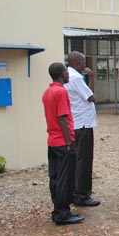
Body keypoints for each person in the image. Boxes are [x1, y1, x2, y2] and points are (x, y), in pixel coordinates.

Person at [42, 63, 83, 225]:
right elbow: (62, 117)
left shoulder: (47, 92)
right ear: (61, 74)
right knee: (65, 178)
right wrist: (68, 141)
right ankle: (63, 213)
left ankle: (57, 209)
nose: (68, 75)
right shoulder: (60, 92)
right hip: (62, 140)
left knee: (55, 176)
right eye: (66, 72)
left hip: (52, 140)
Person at [64, 51, 100, 207]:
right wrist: (91, 77)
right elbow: (91, 96)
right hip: (83, 124)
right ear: (78, 62)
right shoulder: (77, 77)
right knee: (84, 160)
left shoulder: (67, 75)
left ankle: (73, 191)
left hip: (75, 123)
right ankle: (82, 195)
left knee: (75, 158)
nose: (85, 65)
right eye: (84, 62)